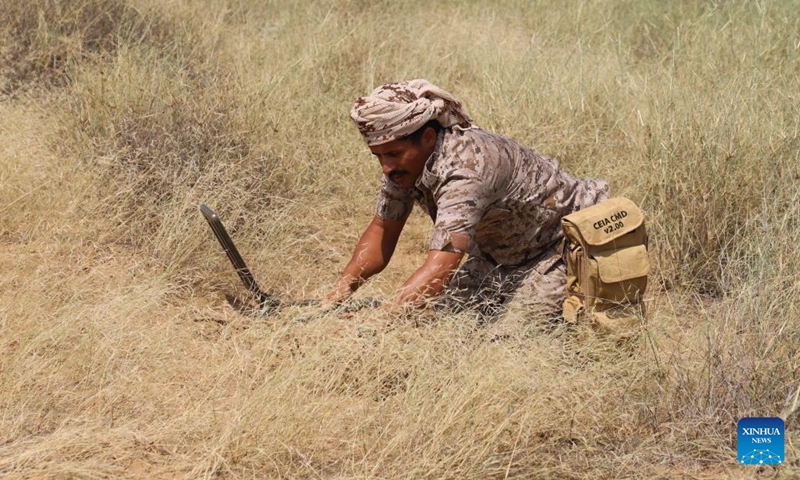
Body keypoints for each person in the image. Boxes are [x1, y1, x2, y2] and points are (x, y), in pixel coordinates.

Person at [324, 79, 609, 320]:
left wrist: (379, 320)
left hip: (558, 247)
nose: (386, 167)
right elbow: (383, 230)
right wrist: (342, 289)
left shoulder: (467, 169)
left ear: (427, 138)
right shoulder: (404, 168)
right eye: (379, 157)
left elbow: (442, 265)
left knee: (512, 348)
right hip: (499, 254)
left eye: (393, 154)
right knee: (443, 326)